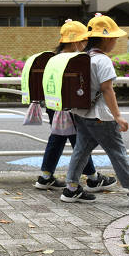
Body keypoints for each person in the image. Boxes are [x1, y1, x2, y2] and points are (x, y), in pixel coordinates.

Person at [60, 14, 129, 207]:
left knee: (80, 151)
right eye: (114, 37)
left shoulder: (82, 57)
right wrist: (118, 116)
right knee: (117, 152)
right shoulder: (102, 61)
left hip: (81, 113)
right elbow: (107, 89)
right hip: (100, 117)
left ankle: (71, 188)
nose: (116, 40)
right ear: (105, 39)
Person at [35, 20, 116, 192]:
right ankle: (92, 178)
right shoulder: (73, 60)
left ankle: (46, 176)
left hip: (53, 105)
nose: (86, 44)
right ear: (75, 42)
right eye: (84, 41)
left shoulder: (54, 58)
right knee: (80, 142)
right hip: (70, 106)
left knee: (58, 139)